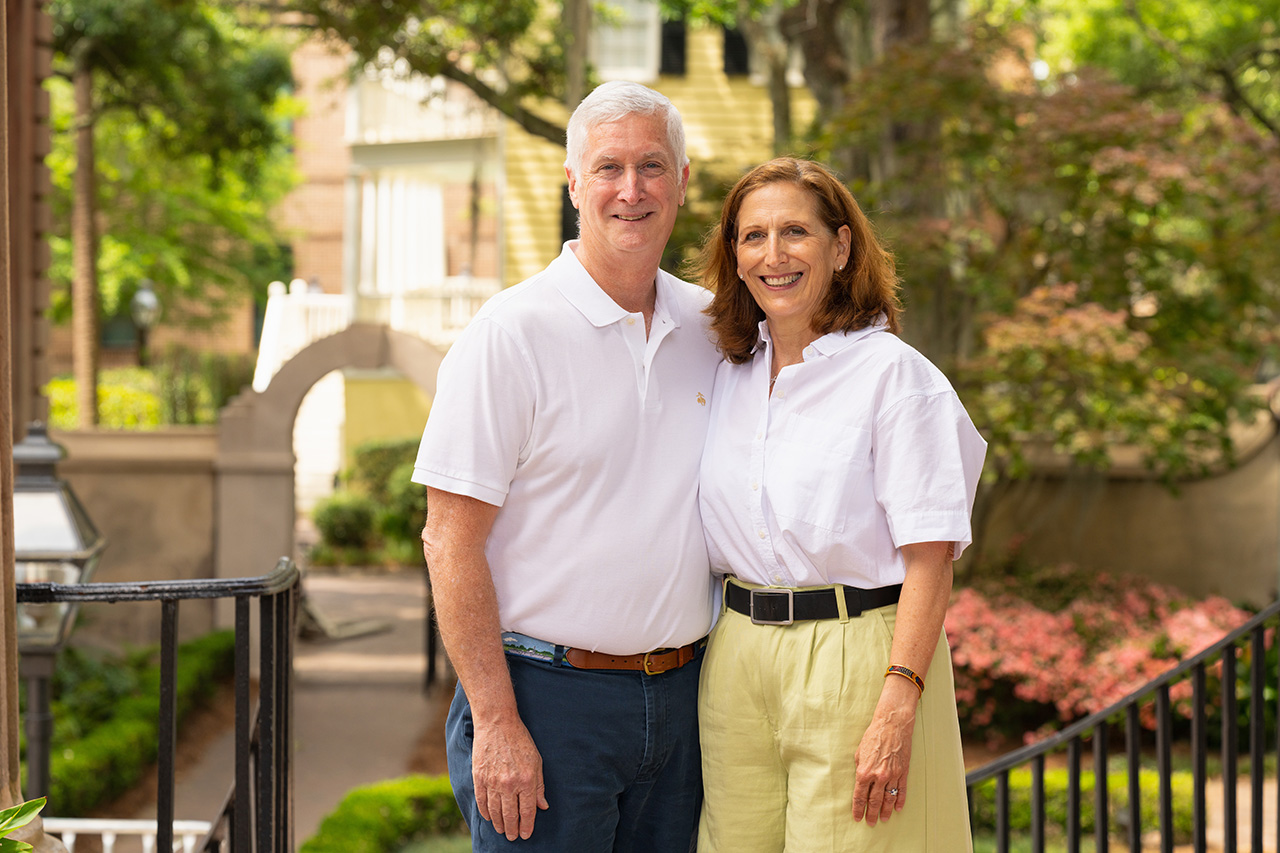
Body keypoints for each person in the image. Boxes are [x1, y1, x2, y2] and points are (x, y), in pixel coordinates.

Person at [412, 80, 721, 852]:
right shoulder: (511, 334)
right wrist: (497, 720)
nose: (631, 189)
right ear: (573, 181)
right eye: (608, 167)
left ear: (683, 182)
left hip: (687, 698)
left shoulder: (713, 328)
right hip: (546, 701)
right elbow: (449, 541)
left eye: (652, 165)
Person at [693, 157, 986, 852]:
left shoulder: (895, 378)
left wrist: (899, 697)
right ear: (734, 255)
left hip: (857, 651)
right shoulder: (726, 373)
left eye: (795, 230)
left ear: (842, 245)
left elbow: (931, 558)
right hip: (735, 656)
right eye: (753, 235)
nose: (774, 254)